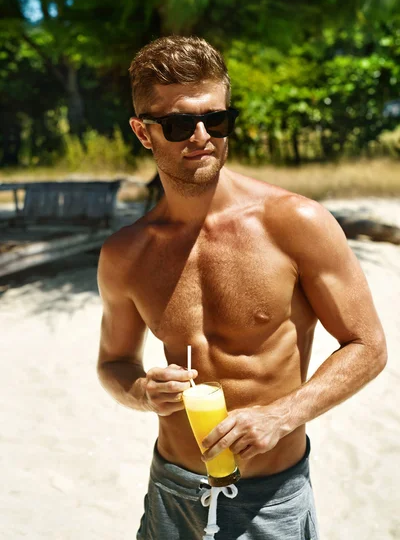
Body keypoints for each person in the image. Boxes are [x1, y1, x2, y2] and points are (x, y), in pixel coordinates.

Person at [96, 36, 387, 540]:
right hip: (172, 493)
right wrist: (144, 391)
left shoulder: (295, 222)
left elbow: (369, 346)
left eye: (217, 118)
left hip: (270, 500)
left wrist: (281, 415)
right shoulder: (127, 254)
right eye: (179, 124)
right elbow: (113, 363)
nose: (202, 136)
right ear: (143, 133)